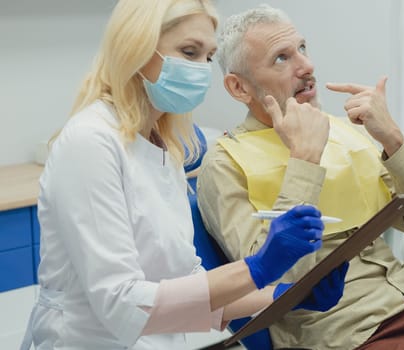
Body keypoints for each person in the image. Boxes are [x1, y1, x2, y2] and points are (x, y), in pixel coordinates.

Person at [20, 1, 350, 349]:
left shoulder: (163, 145)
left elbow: (190, 291)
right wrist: (258, 266)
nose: (201, 69)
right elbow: (121, 303)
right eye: (189, 52)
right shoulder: (91, 142)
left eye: (207, 57)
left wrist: (289, 294)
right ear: (133, 49)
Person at [197, 4, 404, 350]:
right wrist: (304, 160)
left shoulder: (341, 132)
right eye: (282, 58)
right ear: (239, 88)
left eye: (303, 49)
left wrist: (393, 140)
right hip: (347, 331)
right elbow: (265, 277)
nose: (306, 66)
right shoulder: (224, 162)